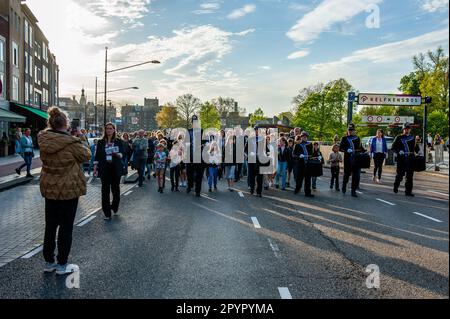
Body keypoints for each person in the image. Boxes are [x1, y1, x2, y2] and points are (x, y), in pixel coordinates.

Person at [38, 106, 91, 275]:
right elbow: (87, 156)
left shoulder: (44, 140)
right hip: (68, 190)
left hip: (50, 189)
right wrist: (81, 138)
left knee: (50, 226)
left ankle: (48, 262)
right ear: (66, 124)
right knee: (66, 228)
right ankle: (61, 264)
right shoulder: (73, 143)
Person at [94, 123, 126, 220]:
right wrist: (95, 168)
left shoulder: (119, 141)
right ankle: (107, 213)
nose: (109, 130)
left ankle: (115, 207)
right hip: (104, 168)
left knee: (115, 190)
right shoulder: (100, 142)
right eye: (107, 128)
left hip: (115, 168)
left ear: (114, 130)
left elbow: (122, 154)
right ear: (105, 130)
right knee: (105, 191)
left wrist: (117, 154)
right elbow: (97, 156)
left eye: (110, 128)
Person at [392, 122, 419, 197]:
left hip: (410, 158)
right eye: (406, 129)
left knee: (410, 176)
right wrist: (398, 151)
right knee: (400, 175)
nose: (407, 130)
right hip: (402, 159)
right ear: (403, 129)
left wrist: (419, 151)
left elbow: (415, 147)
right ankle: (396, 186)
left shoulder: (412, 137)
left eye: (408, 129)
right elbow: (393, 147)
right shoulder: (399, 137)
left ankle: (408, 192)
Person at [339, 124, 365, 197]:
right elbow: (341, 148)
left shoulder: (358, 138)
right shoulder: (344, 138)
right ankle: (344, 186)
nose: (351, 131)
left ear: (354, 131)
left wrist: (365, 151)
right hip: (348, 160)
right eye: (349, 130)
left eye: (352, 130)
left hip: (356, 159)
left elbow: (361, 148)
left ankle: (353, 191)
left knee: (356, 176)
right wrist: (347, 150)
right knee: (346, 175)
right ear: (348, 131)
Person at [186, 116, 206, 197]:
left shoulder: (202, 131)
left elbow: (206, 142)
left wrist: (203, 145)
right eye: (193, 122)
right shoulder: (188, 131)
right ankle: (190, 185)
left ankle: (198, 191)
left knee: (199, 175)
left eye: (196, 122)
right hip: (190, 156)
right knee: (189, 173)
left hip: (200, 157)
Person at [292, 132, 314, 197]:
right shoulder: (297, 145)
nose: (304, 137)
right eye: (303, 136)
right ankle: (297, 189)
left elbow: (312, 153)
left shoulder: (310, 144)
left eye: (306, 136)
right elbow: (293, 154)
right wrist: (299, 155)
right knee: (299, 178)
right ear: (301, 137)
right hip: (300, 164)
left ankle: (307, 193)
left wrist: (310, 156)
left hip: (308, 163)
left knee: (308, 179)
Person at [246, 127, 264, 197]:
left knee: (260, 177)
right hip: (251, 159)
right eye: (255, 131)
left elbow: (266, 149)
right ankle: (252, 189)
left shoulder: (263, 139)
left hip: (260, 160)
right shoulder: (250, 139)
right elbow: (245, 150)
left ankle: (259, 192)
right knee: (251, 176)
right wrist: (249, 153)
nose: (256, 132)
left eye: (258, 131)